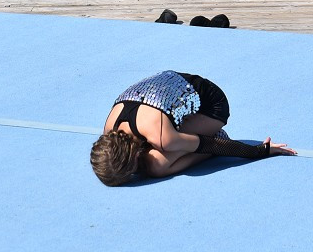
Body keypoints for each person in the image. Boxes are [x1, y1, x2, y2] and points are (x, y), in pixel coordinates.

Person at [90, 70, 295, 186]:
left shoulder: (162, 137)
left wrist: (260, 151)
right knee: (155, 157)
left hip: (209, 103)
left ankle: (209, 129)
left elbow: (210, 144)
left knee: (156, 166)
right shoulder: (110, 129)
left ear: (132, 159)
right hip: (166, 89)